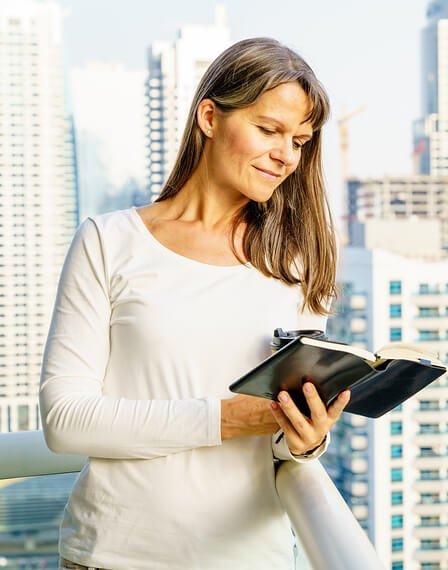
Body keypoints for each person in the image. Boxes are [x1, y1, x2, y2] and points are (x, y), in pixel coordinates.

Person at [38, 37, 349, 569]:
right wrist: (225, 418)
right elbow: (65, 420)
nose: (285, 156)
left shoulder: (296, 264)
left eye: (299, 140)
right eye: (269, 130)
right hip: (110, 558)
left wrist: (304, 440)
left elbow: (273, 444)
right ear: (209, 116)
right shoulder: (108, 240)